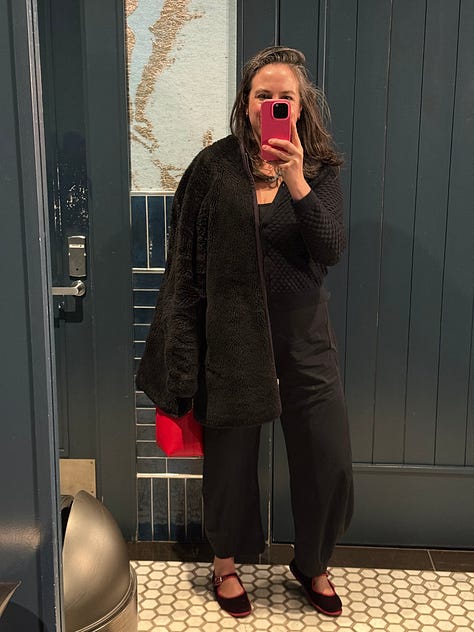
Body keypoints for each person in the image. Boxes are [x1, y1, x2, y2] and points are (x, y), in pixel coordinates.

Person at [136, 46, 354, 618]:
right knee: (230, 459)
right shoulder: (213, 168)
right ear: (246, 102)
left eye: (286, 97)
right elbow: (184, 263)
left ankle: (313, 563)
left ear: (300, 107)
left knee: (326, 456)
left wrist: (297, 179)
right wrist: (182, 349)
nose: (274, 104)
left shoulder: (321, 169)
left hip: (303, 334)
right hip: (231, 332)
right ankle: (226, 563)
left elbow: (330, 247)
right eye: (264, 95)